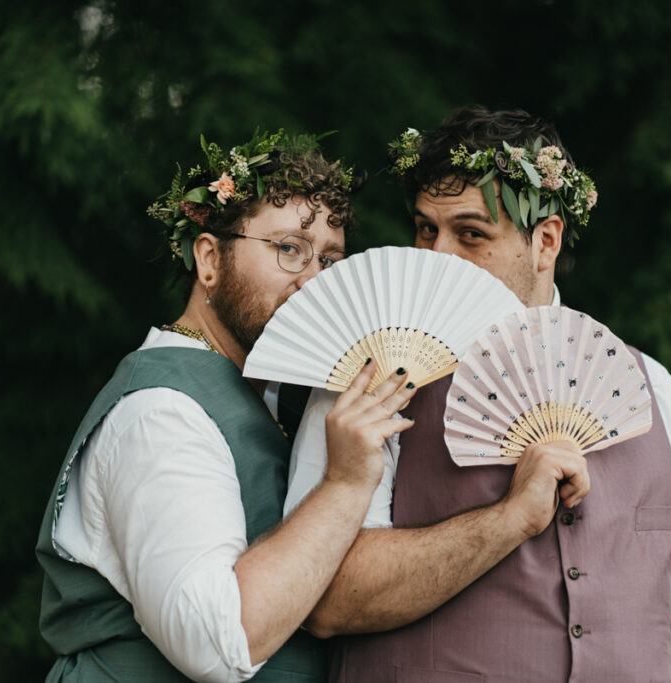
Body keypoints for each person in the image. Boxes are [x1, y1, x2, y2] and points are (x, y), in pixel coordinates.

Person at [286, 107, 671, 682]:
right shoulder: (369, 381)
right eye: (426, 229)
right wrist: (506, 521)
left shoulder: (650, 385)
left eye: (470, 234)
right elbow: (325, 599)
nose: (436, 256)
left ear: (545, 242)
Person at [35, 130, 417, 682]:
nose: (315, 282)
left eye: (330, 261)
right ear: (209, 258)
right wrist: (345, 484)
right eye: (289, 249)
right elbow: (216, 643)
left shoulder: (269, 399)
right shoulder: (161, 412)